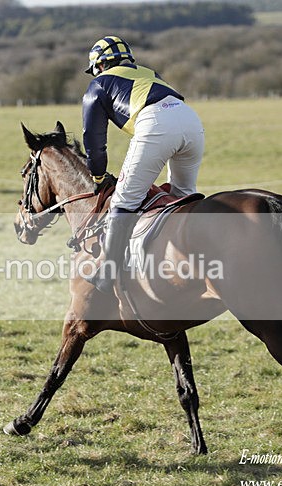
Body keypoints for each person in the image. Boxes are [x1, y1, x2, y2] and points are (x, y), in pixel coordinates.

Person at [82, 36, 205, 293]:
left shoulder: (99, 83)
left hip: (156, 123)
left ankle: (109, 273)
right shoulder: (149, 72)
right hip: (191, 120)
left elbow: (93, 138)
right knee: (182, 197)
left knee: (123, 201)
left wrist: (97, 176)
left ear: (100, 66)